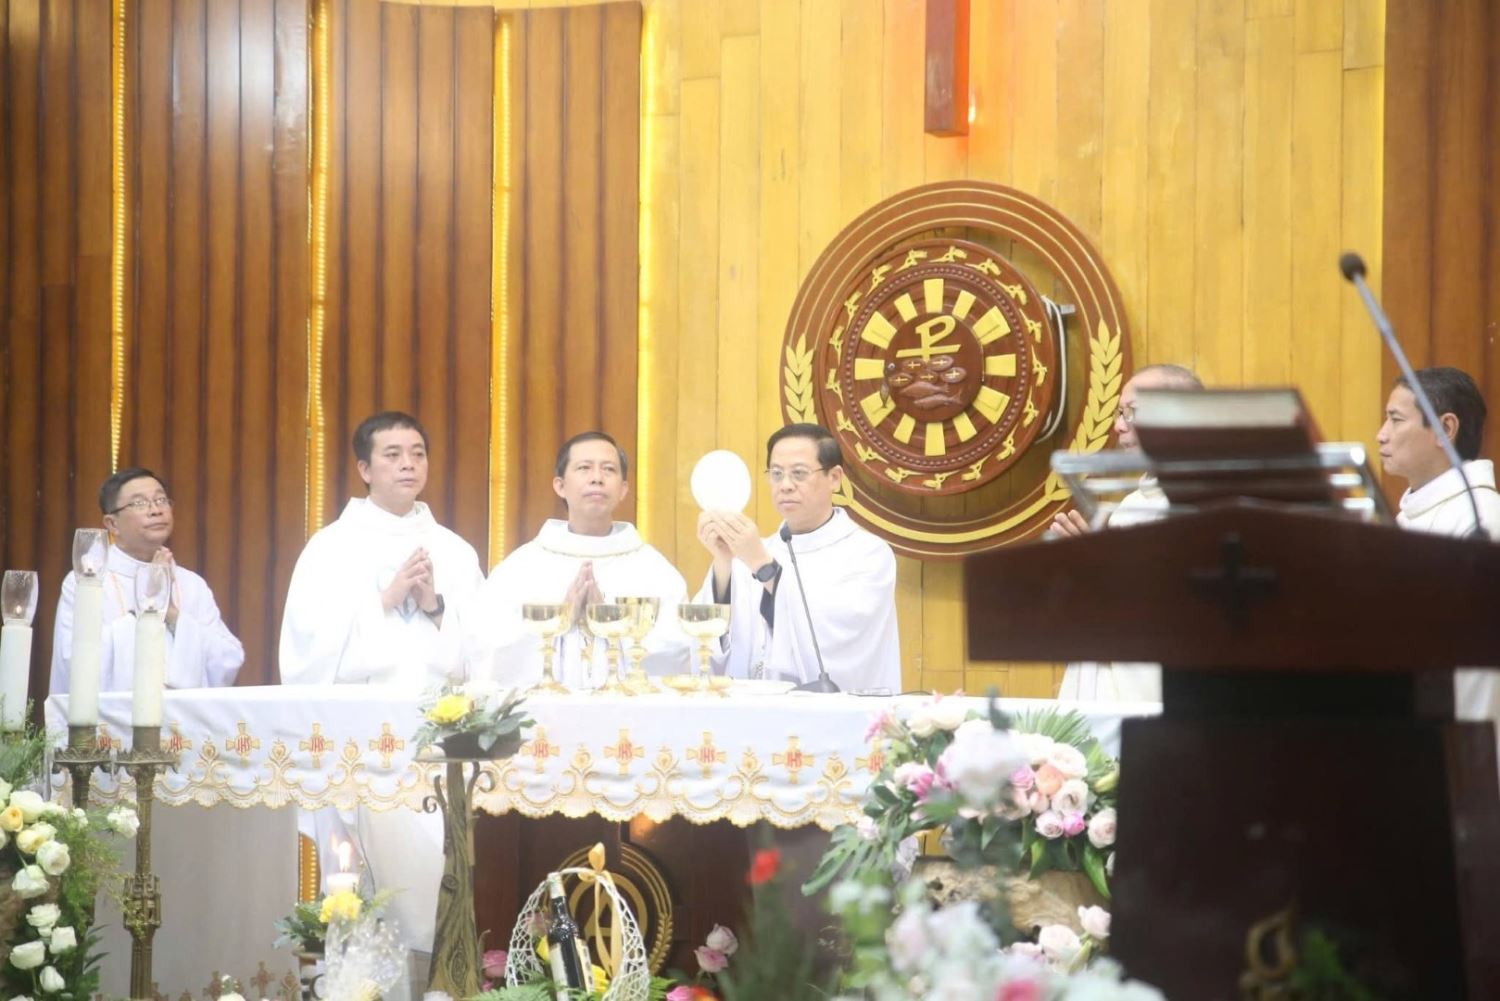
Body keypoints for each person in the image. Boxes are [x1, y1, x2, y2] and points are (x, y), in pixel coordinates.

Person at [278, 411, 484, 998]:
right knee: (362, 891)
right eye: (392, 455)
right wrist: (385, 600)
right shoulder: (330, 548)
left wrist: (435, 606)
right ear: (364, 468)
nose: (408, 464)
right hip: (359, 746)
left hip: (435, 753)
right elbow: (305, 653)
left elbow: (481, 653)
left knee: (433, 882)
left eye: (417, 453)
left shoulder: (454, 550)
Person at [469, 431, 690, 688]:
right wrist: (561, 620)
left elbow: (680, 652)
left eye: (608, 469)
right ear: (560, 486)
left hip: (628, 712)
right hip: (545, 712)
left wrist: (609, 623)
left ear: (623, 489)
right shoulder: (520, 569)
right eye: (584, 468)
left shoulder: (654, 571)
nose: (597, 478)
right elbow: (488, 649)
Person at [695, 423, 900, 692]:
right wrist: (724, 562)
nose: (785, 486)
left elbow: (835, 639)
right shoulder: (756, 551)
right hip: (756, 711)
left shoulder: (868, 554)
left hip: (834, 715)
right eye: (776, 474)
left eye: (799, 474)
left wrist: (761, 565)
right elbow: (708, 639)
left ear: (834, 477)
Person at [1053, 364, 1205, 702]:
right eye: (1120, 413)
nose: (1119, 426)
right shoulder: (1131, 506)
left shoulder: (1209, 504)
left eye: (1132, 413)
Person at [1377, 366, 1500, 766]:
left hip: (1465, 754)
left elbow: (1475, 668)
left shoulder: (1482, 520)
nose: (1381, 434)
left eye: (1396, 420)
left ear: (1445, 429)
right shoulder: (1410, 516)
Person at [50, 467, 243, 700]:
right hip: (116, 720)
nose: (156, 510)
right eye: (139, 503)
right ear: (112, 524)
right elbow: (74, 663)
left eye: (161, 500)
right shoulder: (86, 581)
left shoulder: (191, 584)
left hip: (183, 720)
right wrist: (148, 602)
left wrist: (172, 615)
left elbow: (228, 660)